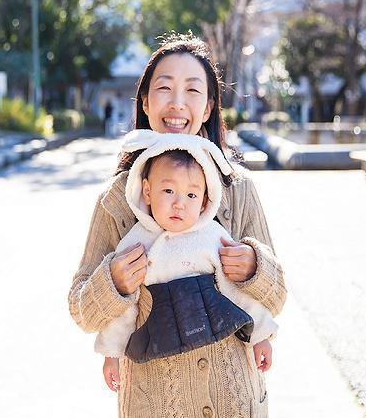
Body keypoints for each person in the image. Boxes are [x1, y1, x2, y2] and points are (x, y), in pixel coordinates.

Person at [68, 33, 287, 417]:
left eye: (192, 90)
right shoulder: (118, 200)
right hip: (152, 404)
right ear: (146, 103)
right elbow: (80, 309)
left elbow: (278, 294)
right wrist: (113, 282)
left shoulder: (238, 188)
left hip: (234, 401)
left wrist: (254, 267)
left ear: (208, 107)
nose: (177, 103)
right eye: (164, 88)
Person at [95, 130, 277, 394]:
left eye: (191, 196)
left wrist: (261, 337)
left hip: (212, 340)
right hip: (159, 346)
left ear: (205, 200)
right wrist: (111, 354)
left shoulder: (213, 238)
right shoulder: (136, 243)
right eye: (168, 190)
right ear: (147, 191)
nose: (179, 204)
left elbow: (237, 292)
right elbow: (125, 308)